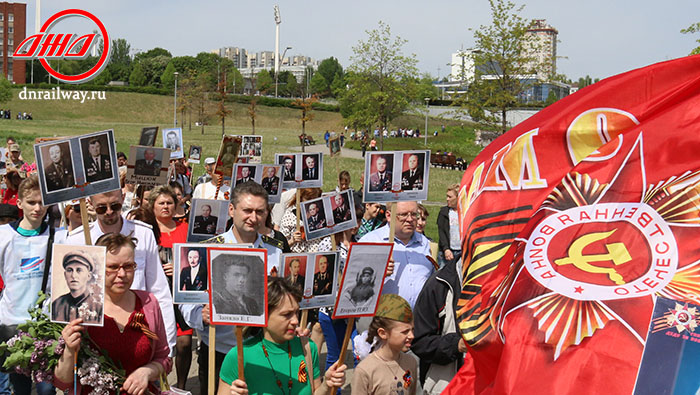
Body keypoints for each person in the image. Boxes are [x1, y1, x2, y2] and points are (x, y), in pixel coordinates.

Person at [180, 181, 284, 394]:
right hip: (219, 352)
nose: (253, 218)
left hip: (261, 353)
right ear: (231, 210)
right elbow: (187, 301)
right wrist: (201, 314)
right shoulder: (207, 250)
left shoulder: (276, 253)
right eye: (247, 210)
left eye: (259, 212)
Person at [54, 233, 172, 395]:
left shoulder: (148, 303)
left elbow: (164, 358)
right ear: (98, 268)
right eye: (113, 267)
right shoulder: (79, 309)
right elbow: (62, 381)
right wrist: (69, 350)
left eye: (128, 266)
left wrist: (147, 372)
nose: (122, 274)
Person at [62, 190, 177, 355]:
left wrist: (167, 345)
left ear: (123, 199)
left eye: (115, 206)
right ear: (90, 203)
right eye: (102, 208)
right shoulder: (76, 240)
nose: (109, 212)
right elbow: (69, 294)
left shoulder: (143, 234)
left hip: (139, 331)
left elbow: (158, 289)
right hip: (95, 338)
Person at [218, 277, 347, 395]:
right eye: (287, 314)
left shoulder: (307, 348)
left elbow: (315, 392)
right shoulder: (238, 357)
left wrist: (327, 385)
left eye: (297, 312)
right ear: (264, 316)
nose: (295, 321)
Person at [0, 175, 56, 395]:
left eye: (42, 202)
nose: (37, 208)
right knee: (20, 388)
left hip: (45, 323)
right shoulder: (4, 235)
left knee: (46, 389)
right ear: (19, 203)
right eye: (31, 202)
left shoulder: (58, 236)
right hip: (13, 321)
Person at [147, 185, 192, 389]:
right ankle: (159, 386)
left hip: (182, 293)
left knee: (184, 344)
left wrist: (180, 267)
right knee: (158, 345)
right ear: (153, 206)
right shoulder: (148, 230)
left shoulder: (186, 228)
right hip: (156, 295)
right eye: (161, 203)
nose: (166, 206)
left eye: (170, 203)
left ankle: (181, 386)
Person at [360, 201, 433, 308]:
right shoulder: (370, 242)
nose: (410, 219)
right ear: (389, 216)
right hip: (383, 320)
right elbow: (353, 287)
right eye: (403, 215)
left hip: (419, 320)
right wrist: (377, 274)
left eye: (413, 214)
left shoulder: (424, 243)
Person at [411, 255, 465, 394]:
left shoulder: (507, 282)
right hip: (445, 384)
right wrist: (457, 345)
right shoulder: (439, 285)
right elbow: (420, 341)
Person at [351, 294, 417, 395]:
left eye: (412, 330)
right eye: (405, 332)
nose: (411, 336)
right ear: (383, 333)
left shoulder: (411, 362)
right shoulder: (365, 370)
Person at [51, 252, 103, 324]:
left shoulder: (99, 306)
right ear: (65, 275)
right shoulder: (57, 304)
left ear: (89, 276)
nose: (73, 275)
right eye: (69, 270)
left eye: (79, 270)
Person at [438, 184, 461, 267]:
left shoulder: (466, 212)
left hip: (462, 251)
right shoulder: (444, 212)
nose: (447, 199)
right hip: (448, 252)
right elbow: (441, 232)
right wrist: (446, 249)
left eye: (450, 197)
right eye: (447, 196)